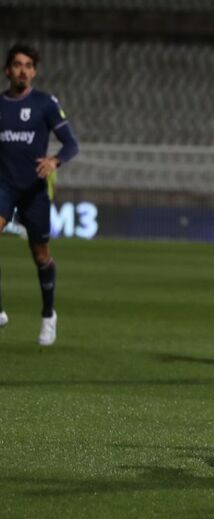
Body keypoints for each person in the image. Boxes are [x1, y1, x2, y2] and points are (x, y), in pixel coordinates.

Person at [0, 43, 79, 344]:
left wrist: (54, 160)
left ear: (34, 71)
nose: (23, 70)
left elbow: (71, 144)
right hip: (4, 186)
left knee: (41, 255)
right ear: (8, 70)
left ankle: (48, 314)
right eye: (18, 64)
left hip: (33, 188)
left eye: (29, 65)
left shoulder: (45, 103)